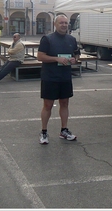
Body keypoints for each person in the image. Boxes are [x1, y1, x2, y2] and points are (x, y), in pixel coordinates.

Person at [37, 14, 80, 145]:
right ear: (55, 24)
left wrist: (74, 59)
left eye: (66, 23)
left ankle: (64, 130)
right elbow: (40, 56)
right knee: (48, 105)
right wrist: (57, 59)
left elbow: (77, 54)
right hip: (50, 77)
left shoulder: (72, 39)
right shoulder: (47, 39)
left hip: (65, 77)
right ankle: (44, 132)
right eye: (61, 23)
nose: (64, 25)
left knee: (65, 103)